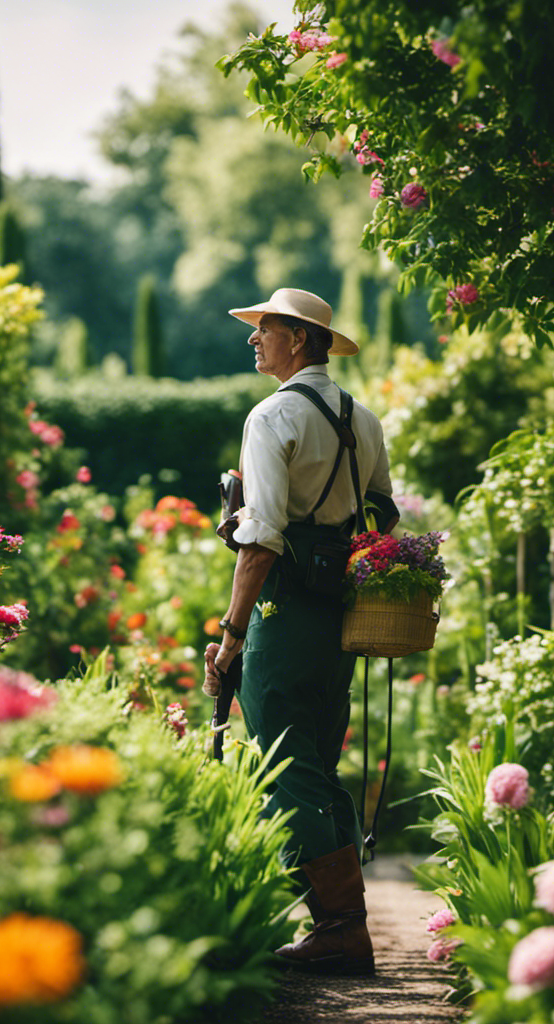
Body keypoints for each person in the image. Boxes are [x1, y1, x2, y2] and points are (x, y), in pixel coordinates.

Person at [204, 287, 398, 976]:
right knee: (317, 759)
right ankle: (343, 929)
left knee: (285, 762)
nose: (253, 339)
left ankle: (340, 929)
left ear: (298, 338)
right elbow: (383, 513)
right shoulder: (362, 417)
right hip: (339, 611)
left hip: (286, 609)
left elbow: (259, 543)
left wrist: (231, 636)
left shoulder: (272, 415)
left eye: (265, 329)